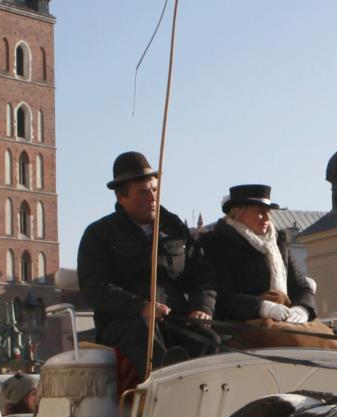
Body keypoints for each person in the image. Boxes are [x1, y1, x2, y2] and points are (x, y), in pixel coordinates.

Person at [76, 151, 218, 371]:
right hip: (127, 324)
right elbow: (94, 287)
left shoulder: (175, 227)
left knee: (207, 339)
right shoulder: (99, 234)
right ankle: (165, 387)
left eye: (155, 190)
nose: (153, 198)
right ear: (121, 197)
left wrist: (202, 308)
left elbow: (203, 275)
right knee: (144, 333)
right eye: (143, 193)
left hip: (176, 321)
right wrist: (140, 307)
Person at [199, 184, 319, 325]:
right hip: (241, 325)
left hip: (284, 317)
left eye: (268, 212)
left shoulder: (278, 244)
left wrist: (303, 308)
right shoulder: (217, 244)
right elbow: (219, 296)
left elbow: (302, 286)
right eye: (260, 212)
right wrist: (263, 307)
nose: (266, 218)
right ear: (239, 213)